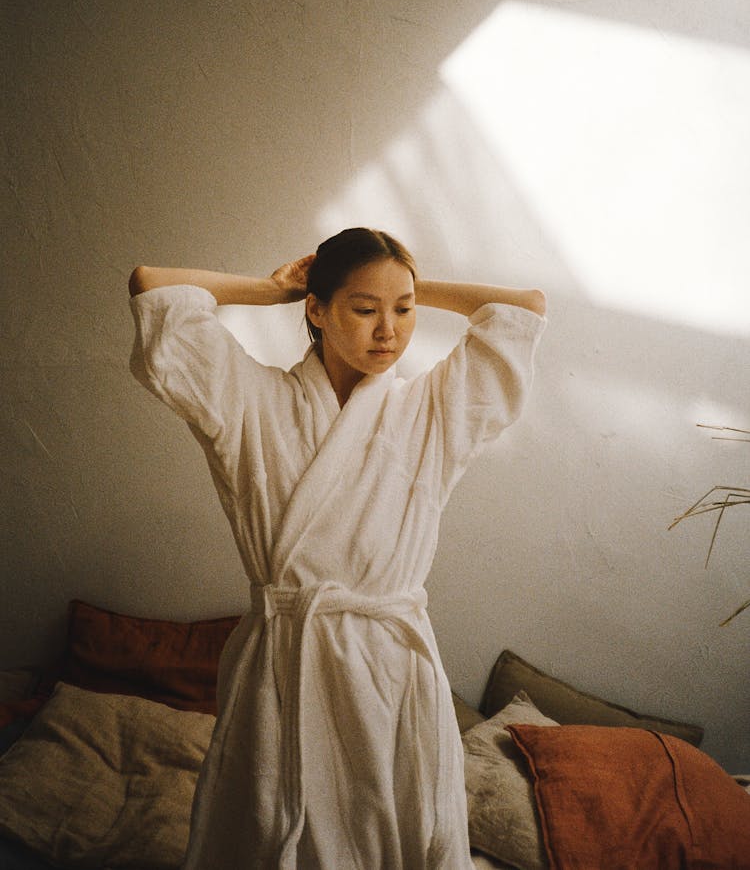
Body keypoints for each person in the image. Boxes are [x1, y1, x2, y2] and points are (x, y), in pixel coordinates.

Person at [128, 227, 546, 870]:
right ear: (317, 312)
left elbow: (523, 309)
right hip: (285, 663)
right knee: (270, 833)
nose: (390, 330)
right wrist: (277, 289)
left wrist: (397, 281)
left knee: (393, 833)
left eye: (403, 310)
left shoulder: (430, 408)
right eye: (364, 308)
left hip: (392, 670)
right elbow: (153, 285)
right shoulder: (252, 399)